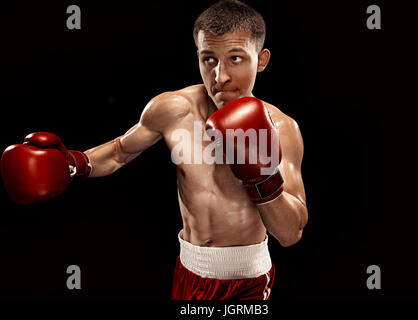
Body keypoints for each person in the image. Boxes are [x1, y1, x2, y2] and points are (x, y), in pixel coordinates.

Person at [0, 0, 307, 300]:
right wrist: (73, 164)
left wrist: (261, 178)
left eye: (236, 58)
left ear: (262, 60)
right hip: (189, 270)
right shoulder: (173, 109)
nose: (220, 76)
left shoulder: (282, 129)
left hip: (248, 280)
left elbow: (291, 234)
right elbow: (120, 151)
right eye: (208, 59)